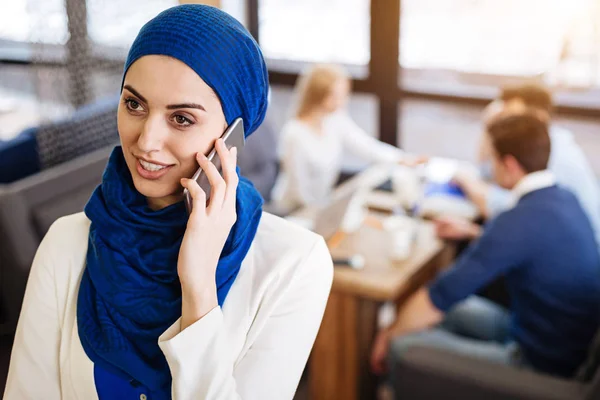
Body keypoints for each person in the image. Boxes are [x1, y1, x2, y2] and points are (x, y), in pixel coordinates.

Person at [4, 6, 333, 400]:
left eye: (181, 119)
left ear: (232, 135)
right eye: (134, 105)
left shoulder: (294, 264)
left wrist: (198, 285)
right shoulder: (67, 244)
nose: (146, 141)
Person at [370, 110, 600, 389]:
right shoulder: (564, 198)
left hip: (538, 360)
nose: (487, 166)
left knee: (402, 346)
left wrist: (388, 335)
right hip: (554, 335)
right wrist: (476, 233)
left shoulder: (518, 220)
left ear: (510, 165)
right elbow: (534, 248)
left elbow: (442, 293)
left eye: (491, 158)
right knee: (443, 311)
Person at [455, 83, 600, 246]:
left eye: (511, 115)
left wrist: (465, 181)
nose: (506, 122)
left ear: (539, 116)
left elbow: (504, 210)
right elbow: (488, 172)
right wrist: (488, 127)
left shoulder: (550, 151)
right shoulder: (543, 140)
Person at [271, 64, 423, 212]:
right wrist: (322, 212)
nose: (344, 100)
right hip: (293, 210)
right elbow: (299, 192)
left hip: (321, 206)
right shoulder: (294, 134)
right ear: (319, 95)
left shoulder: (335, 120)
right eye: (338, 95)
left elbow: (366, 145)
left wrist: (402, 158)